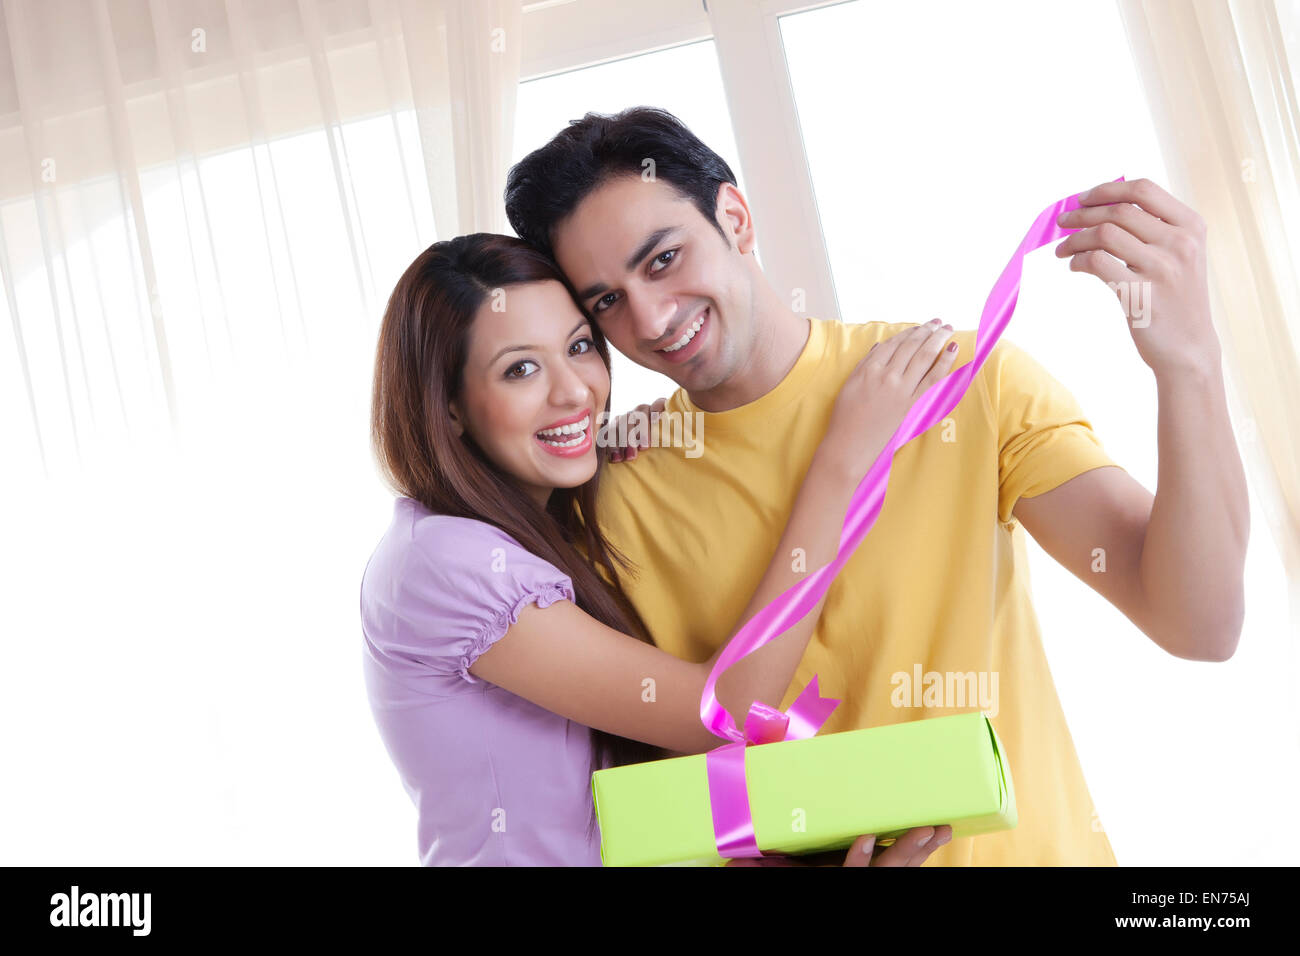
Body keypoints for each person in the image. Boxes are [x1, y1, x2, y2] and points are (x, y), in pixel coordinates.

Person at [503, 107, 1247, 865]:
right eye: (606, 301)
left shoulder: (961, 382)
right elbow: (670, 793)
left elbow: (1199, 625)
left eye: (662, 260)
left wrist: (1189, 365)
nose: (652, 319)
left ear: (735, 216)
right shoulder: (609, 494)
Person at [360, 232, 956, 866]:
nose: (575, 392)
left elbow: (618, 808)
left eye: (580, 346)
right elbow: (717, 714)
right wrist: (844, 458)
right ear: (448, 409)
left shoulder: (515, 542)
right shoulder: (446, 564)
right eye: (521, 368)